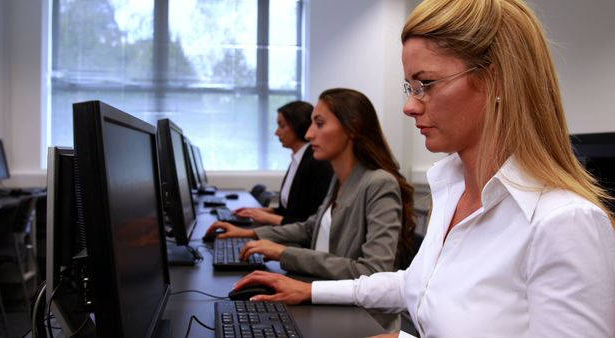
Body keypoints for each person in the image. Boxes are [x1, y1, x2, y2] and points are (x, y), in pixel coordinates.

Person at [229, 0, 615, 337]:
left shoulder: (564, 223)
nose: (410, 106)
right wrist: (311, 291)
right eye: (409, 87)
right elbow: (417, 284)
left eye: (425, 84)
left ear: (496, 78)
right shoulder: (452, 191)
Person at [206, 88, 417, 280]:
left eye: (319, 123)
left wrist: (284, 253)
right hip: (323, 291)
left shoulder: (379, 183)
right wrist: (251, 234)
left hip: (360, 316)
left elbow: (373, 272)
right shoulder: (339, 179)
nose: (308, 134)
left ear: (352, 128)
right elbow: (309, 228)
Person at [235, 101, 333, 225]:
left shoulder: (318, 163)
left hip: (300, 240)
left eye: (282, 126)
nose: (276, 132)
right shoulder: (298, 159)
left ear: (299, 126)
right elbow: (289, 210)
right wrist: (258, 211)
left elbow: (310, 221)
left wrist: (268, 218)